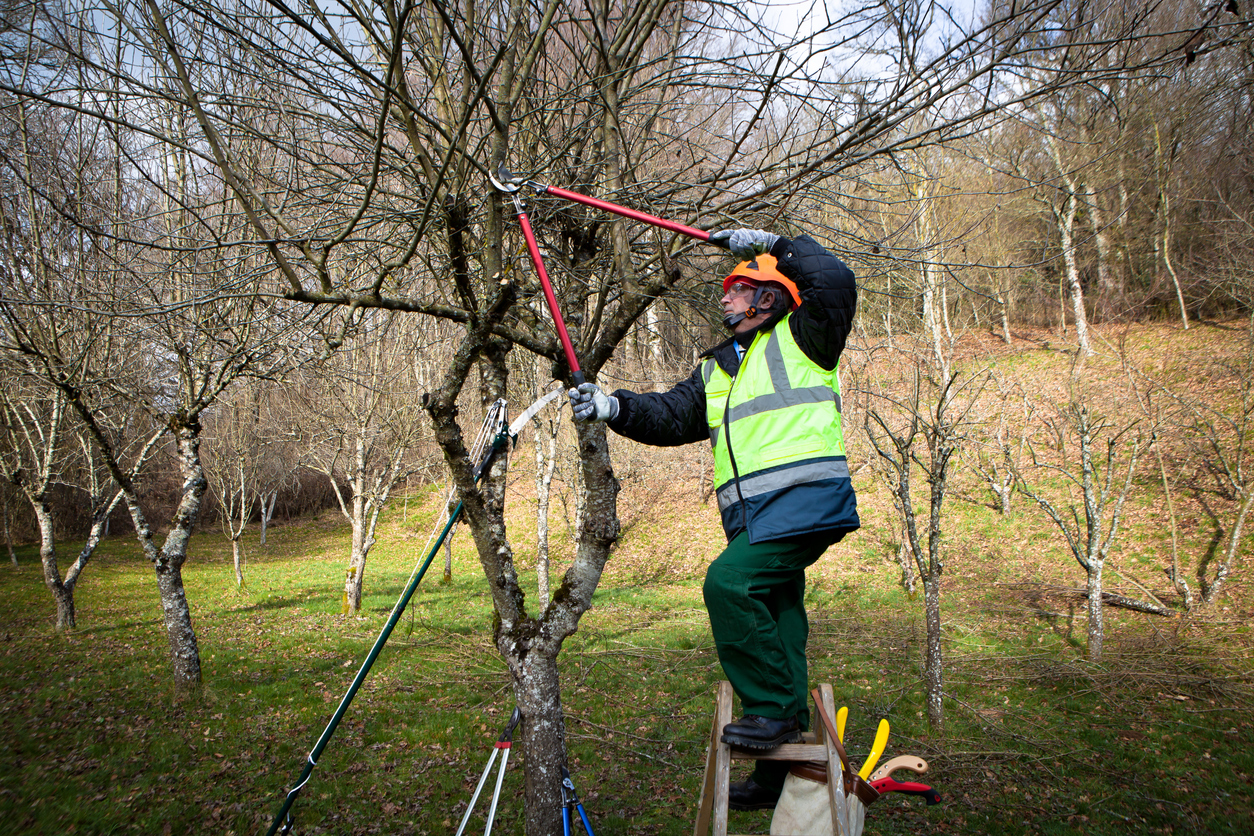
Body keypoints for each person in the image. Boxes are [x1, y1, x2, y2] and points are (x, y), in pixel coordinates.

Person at [568, 227, 860, 811]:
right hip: (758, 517)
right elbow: (670, 417)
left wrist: (779, 243)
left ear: (769, 298)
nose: (724, 297)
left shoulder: (808, 337)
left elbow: (834, 280)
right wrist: (612, 406)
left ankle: (772, 713)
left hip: (804, 502)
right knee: (781, 627)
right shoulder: (719, 369)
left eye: (737, 287)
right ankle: (780, 778)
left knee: (728, 583)